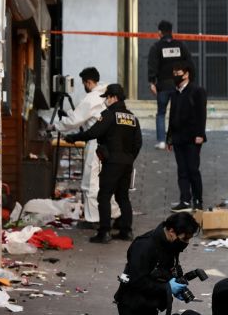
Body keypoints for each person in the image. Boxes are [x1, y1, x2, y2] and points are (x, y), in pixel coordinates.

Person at [65, 84, 142, 244]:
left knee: (104, 196)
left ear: (114, 97)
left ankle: (104, 232)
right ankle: (126, 231)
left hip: (112, 162)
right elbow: (138, 143)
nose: (105, 101)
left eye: (107, 97)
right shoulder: (132, 118)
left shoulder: (109, 115)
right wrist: (129, 158)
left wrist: (73, 138)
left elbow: (93, 132)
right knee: (123, 197)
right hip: (127, 163)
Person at [113, 212, 201, 315]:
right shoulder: (144, 246)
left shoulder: (170, 244)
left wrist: (176, 283)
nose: (186, 243)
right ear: (171, 231)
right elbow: (137, 281)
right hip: (133, 306)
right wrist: (167, 287)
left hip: (150, 304)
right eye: (184, 238)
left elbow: (169, 267)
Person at [47, 67, 112, 228]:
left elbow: (75, 120)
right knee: (108, 181)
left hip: (96, 142)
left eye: (84, 83)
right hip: (111, 143)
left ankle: (92, 219)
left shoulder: (91, 98)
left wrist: (56, 126)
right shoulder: (107, 94)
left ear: (88, 82)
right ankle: (113, 214)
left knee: (90, 182)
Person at [166, 60, 207, 212]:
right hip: (178, 138)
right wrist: (169, 137)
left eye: (179, 72)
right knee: (181, 170)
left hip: (192, 138)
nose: (176, 75)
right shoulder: (175, 92)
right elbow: (172, 116)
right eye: (174, 73)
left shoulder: (197, 91)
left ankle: (198, 200)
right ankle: (185, 200)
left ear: (187, 74)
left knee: (193, 169)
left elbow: (201, 114)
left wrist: (200, 134)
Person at [147, 19, 191, 150]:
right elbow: (189, 62)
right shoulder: (180, 45)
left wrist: (152, 82)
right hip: (179, 85)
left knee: (161, 113)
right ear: (171, 32)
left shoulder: (156, 47)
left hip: (163, 86)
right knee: (179, 113)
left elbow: (152, 65)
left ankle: (161, 141)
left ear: (159, 32)